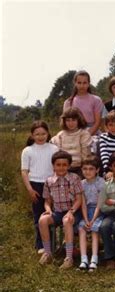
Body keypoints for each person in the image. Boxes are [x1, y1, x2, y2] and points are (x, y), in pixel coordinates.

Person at [37, 151, 83, 269]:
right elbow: (47, 201)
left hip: (73, 211)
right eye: (58, 165)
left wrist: (71, 211)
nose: (61, 167)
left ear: (68, 166)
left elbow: (79, 199)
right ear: (53, 166)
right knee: (42, 220)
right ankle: (48, 253)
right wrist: (48, 209)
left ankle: (68, 258)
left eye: (64, 165)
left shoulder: (74, 178)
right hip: (57, 212)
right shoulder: (49, 181)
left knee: (67, 220)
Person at [20, 121, 58, 253]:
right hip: (35, 185)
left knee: (51, 215)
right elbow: (24, 171)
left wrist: (54, 185)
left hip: (51, 184)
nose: (40, 136)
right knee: (38, 215)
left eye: (43, 133)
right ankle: (40, 245)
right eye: (37, 134)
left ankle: (52, 245)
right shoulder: (28, 150)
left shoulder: (54, 149)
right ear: (32, 135)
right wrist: (30, 189)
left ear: (48, 133)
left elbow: (56, 169)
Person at [77, 155, 105, 271]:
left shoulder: (101, 182)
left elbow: (100, 203)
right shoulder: (81, 183)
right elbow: (83, 203)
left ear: (97, 170)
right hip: (86, 211)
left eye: (91, 169)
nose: (87, 172)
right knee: (82, 228)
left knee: (94, 229)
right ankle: (84, 259)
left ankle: (94, 259)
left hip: (99, 211)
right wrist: (86, 219)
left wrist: (92, 220)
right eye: (85, 169)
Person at [51, 107, 92, 175]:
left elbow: (86, 156)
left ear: (78, 120)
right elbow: (58, 154)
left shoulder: (83, 134)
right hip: (63, 168)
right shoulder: (60, 135)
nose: (71, 123)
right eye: (68, 120)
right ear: (64, 121)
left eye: (73, 120)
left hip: (79, 168)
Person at [63, 70, 104, 136]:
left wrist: (86, 135)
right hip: (73, 134)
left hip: (93, 133)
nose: (82, 85)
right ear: (75, 83)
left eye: (84, 83)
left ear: (88, 83)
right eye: (79, 83)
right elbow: (66, 123)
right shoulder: (68, 102)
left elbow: (98, 122)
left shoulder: (96, 100)